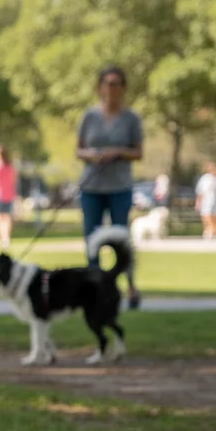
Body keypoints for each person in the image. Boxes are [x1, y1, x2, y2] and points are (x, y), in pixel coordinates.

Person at [76, 66, 143, 308]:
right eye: (107, 83)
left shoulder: (131, 118)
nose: (111, 88)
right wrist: (93, 154)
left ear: (123, 88)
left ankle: (130, 286)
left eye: (116, 83)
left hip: (119, 187)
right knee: (91, 239)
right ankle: (94, 289)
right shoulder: (89, 117)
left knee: (121, 238)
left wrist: (118, 152)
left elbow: (138, 152)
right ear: (100, 87)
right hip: (91, 186)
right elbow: (78, 150)